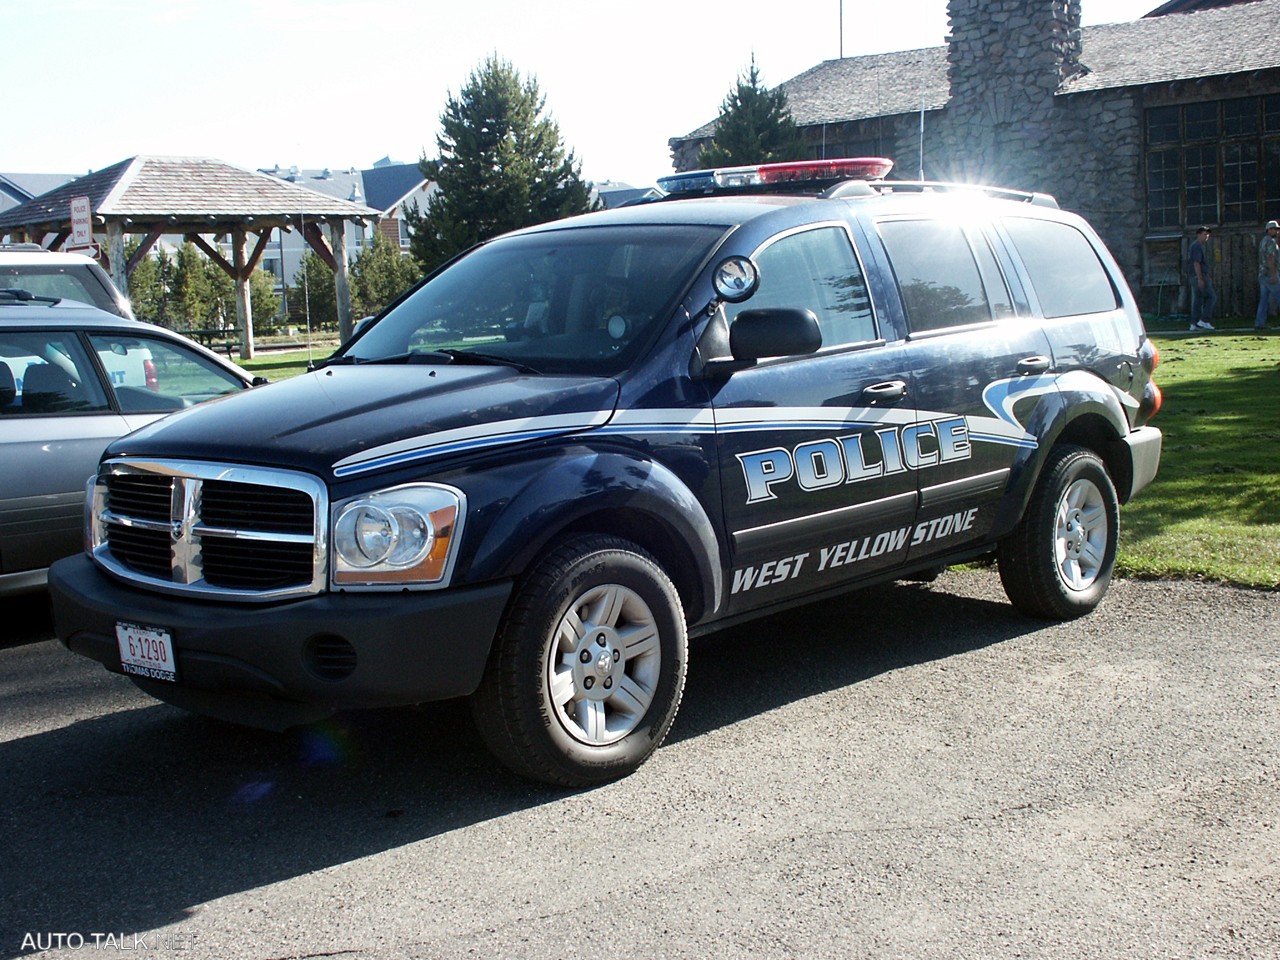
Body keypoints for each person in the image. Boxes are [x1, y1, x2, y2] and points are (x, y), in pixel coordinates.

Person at [1188, 226, 1215, 331]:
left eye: (1208, 235)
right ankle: (1204, 320)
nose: (1206, 236)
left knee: (1198, 300)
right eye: (1204, 234)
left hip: (1196, 276)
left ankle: (1194, 323)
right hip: (1199, 275)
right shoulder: (1196, 246)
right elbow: (1196, 263)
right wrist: (1200, 278)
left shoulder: (1197, 246)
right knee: (1211, 297)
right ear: (1198, 235)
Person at [1258, 219, 1280, 330]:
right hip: (1269, 274)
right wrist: (1274, 274)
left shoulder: (1263, 241)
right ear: (1269, 230)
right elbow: (1270, 258)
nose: (1277, 231)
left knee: (1264, 299)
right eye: (1275, 229)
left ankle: (1259, 322)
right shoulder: (1271, 242)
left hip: (1262, 274)